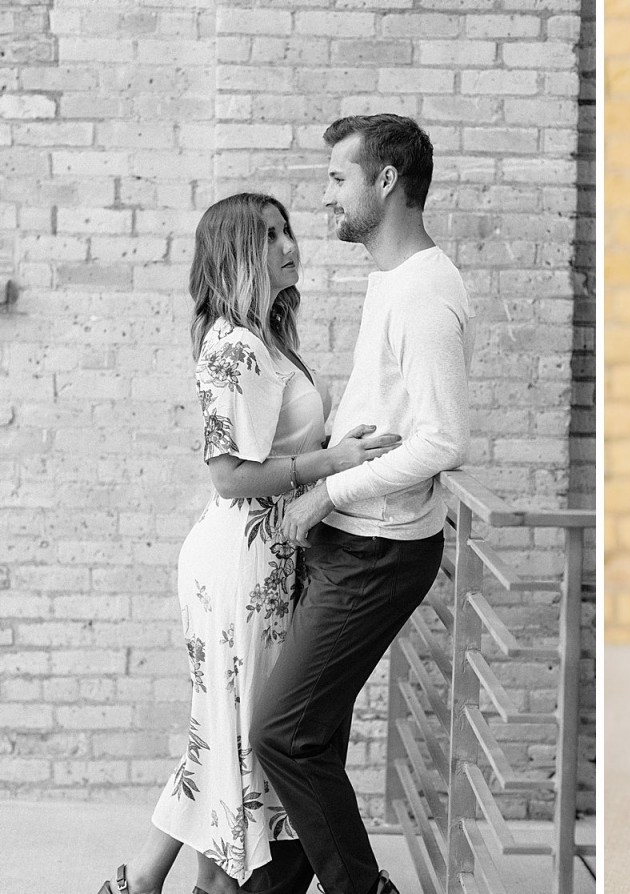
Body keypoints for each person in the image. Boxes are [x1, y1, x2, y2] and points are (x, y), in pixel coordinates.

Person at [97, 193, 401, 894]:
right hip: (242, 560)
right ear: (239, 253)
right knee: (239, 739)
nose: (290, 243)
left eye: (287, 228)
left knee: (224, 733)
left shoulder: (262, 341)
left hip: (265, 556)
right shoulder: (235, 346)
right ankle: (208, 886)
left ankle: (143, 883)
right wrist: (335, 461)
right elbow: (230, 475)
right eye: (270, 235)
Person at [244, 114, 474, 894]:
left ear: (385, 182)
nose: (324, 196)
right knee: (309, 741)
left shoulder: (423, 293)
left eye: (338, 178)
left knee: (281, 735)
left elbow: (442, 442)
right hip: (351, 539)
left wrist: (323, 495)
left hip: (378, 550)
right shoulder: (393, 282)